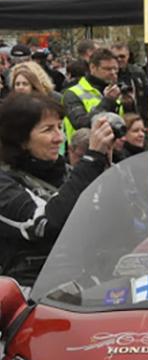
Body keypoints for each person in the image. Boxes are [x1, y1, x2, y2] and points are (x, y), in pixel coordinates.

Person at [0, 93, 115, 287]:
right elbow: (44, 224)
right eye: (48, 130)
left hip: (85, 285)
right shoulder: (5, 182)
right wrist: (91, 159)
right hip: (29, 295)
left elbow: (111, 224)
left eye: (60, 128)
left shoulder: (68, 173)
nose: (59, 138)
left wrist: (108, 169)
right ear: (21, 139)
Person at [61, 48, 123, 145]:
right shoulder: (73, 93)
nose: (113, 73)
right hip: (83, 150)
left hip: (115, 149)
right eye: (107, 69)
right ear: (93, 67)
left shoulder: (116, 90)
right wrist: (107, 101)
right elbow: (81, 123)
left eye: (115, 69)